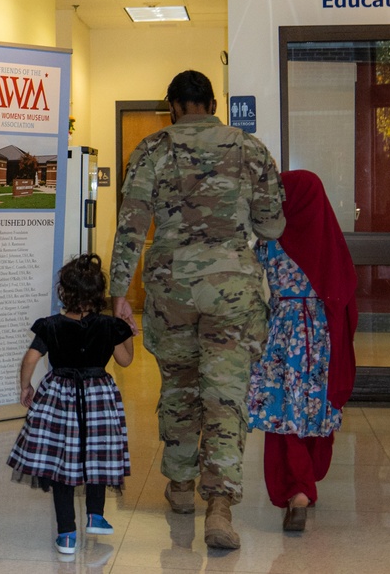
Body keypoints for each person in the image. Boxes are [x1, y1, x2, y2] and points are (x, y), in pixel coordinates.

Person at [108, 69, 285, 550]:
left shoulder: (151, 148)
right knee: (225, 396)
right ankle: (221, 509)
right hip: (233, 289)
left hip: (171, 290)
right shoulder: (251, 149)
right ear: (212, 102)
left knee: (180, 384)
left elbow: (131, 224)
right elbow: (271, 226)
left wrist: (118, 291)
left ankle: (182, 487)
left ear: (174, 106)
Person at [247, 170, 358, 532]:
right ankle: (304, 487)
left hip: (281, 333)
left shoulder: (270, 240)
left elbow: (249, 280)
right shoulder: (327, 238)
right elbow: (346, 293)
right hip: (322, 335)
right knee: (314, 407)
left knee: (284, 410)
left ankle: (296, 488)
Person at [7, 253, 135, 555]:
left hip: (59, 396)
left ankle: (66, 534)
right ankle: (96, 515)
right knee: (97, 454)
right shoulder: (109, 326)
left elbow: (30, 359)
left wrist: (26, 386)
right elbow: (125, 360)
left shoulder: (50, 325)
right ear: (99, 294)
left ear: (63, 291)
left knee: (59, 462)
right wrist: (127, 330)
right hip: (98, 395)